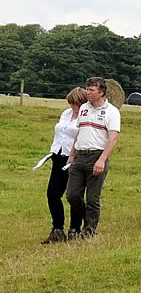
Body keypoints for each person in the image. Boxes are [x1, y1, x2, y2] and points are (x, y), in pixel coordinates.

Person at [66, 77, 121, 239]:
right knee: (72, 195)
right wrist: (71, 155)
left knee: (92, 197)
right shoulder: (83, 108)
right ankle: (87, 218)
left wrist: (102, 160)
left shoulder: (112, 112)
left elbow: (113, 138)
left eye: (91, 90)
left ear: (101, 92)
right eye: (87, 89)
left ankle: (89, 230)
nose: (87, 92)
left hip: (97, 155)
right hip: (80, 156)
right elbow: (79, 133)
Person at [41, 87, 87, 244]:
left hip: (74, 158)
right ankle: (57, 229)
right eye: (71, 103)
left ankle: (75, 229)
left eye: (76, 103)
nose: (73, 107)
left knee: (73, 195)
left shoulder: (86, 117)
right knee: (52, 193)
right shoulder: (66, 114)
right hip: (58, 155)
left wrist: (74, 156)